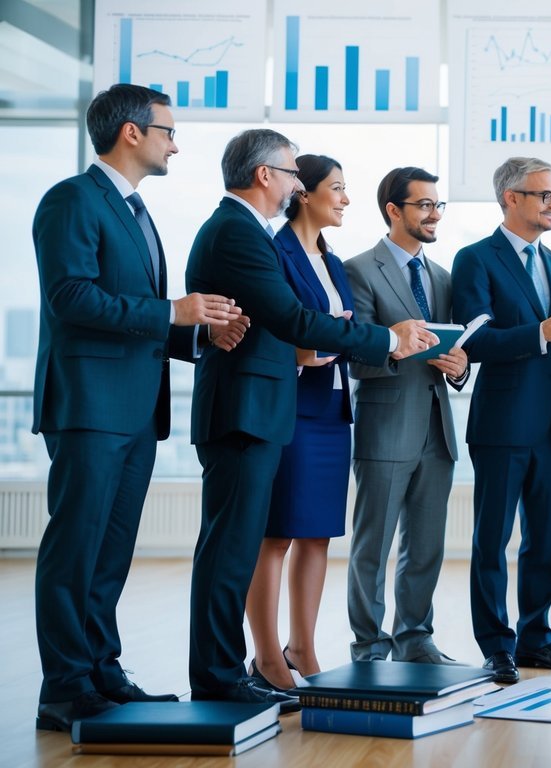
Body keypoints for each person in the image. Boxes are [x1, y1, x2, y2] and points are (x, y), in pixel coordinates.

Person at [185, 129, 437, 710]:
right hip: (250, 410)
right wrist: (385, 339)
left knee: (238, 546)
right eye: (294, 172)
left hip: (275, 407)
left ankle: (230, 671)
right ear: (267, 176)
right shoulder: (241, 233)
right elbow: (291, 319)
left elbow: (288, 319)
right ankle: (226, 674)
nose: (299, 181)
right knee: (235, 548)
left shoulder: (247, 233)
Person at [30, 84, 245, 732]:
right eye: (168, 131)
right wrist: (171, 311)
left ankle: (101, 670)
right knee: (76, 549)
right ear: (131, 132)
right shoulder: (72, 200)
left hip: (131, 409)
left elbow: (136, 314)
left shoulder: (135, 211)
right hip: (90, 406)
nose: (174, 142)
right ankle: (64, 688)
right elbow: (70, 297)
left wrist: (197, 334)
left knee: (111, 550)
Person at [451, 157, 551, 684]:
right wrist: (541, 333)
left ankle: (537, 638)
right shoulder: (475, 260)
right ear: (511, 198)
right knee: (491, 539)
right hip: (501, 423)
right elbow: (474, 342)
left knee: (545, 540)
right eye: (545, 195)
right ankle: (497, 645)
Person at [343, 167, 469, 665]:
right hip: (385, 424)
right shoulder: (358, 269)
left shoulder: (442, 278)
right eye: (424, 205)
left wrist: (459, 367)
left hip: (437, 428)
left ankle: (415, 639)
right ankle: (369, 647)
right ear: (394, 210)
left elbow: (452, 351)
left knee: (426, 545)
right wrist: (395, 344)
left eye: (438, 205)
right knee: (372, 548)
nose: (434, 214)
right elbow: (351, 354)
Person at [244, 154, 358, 692]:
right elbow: (269, 326)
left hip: (333, 408)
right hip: (291, 407)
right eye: (336, 188)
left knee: (317, 535)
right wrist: (300, 349)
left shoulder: (332, 261)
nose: (345, 199)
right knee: (275, 535)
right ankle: (267, 658)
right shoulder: (275, 252)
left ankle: (303, 649)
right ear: (304, 193)